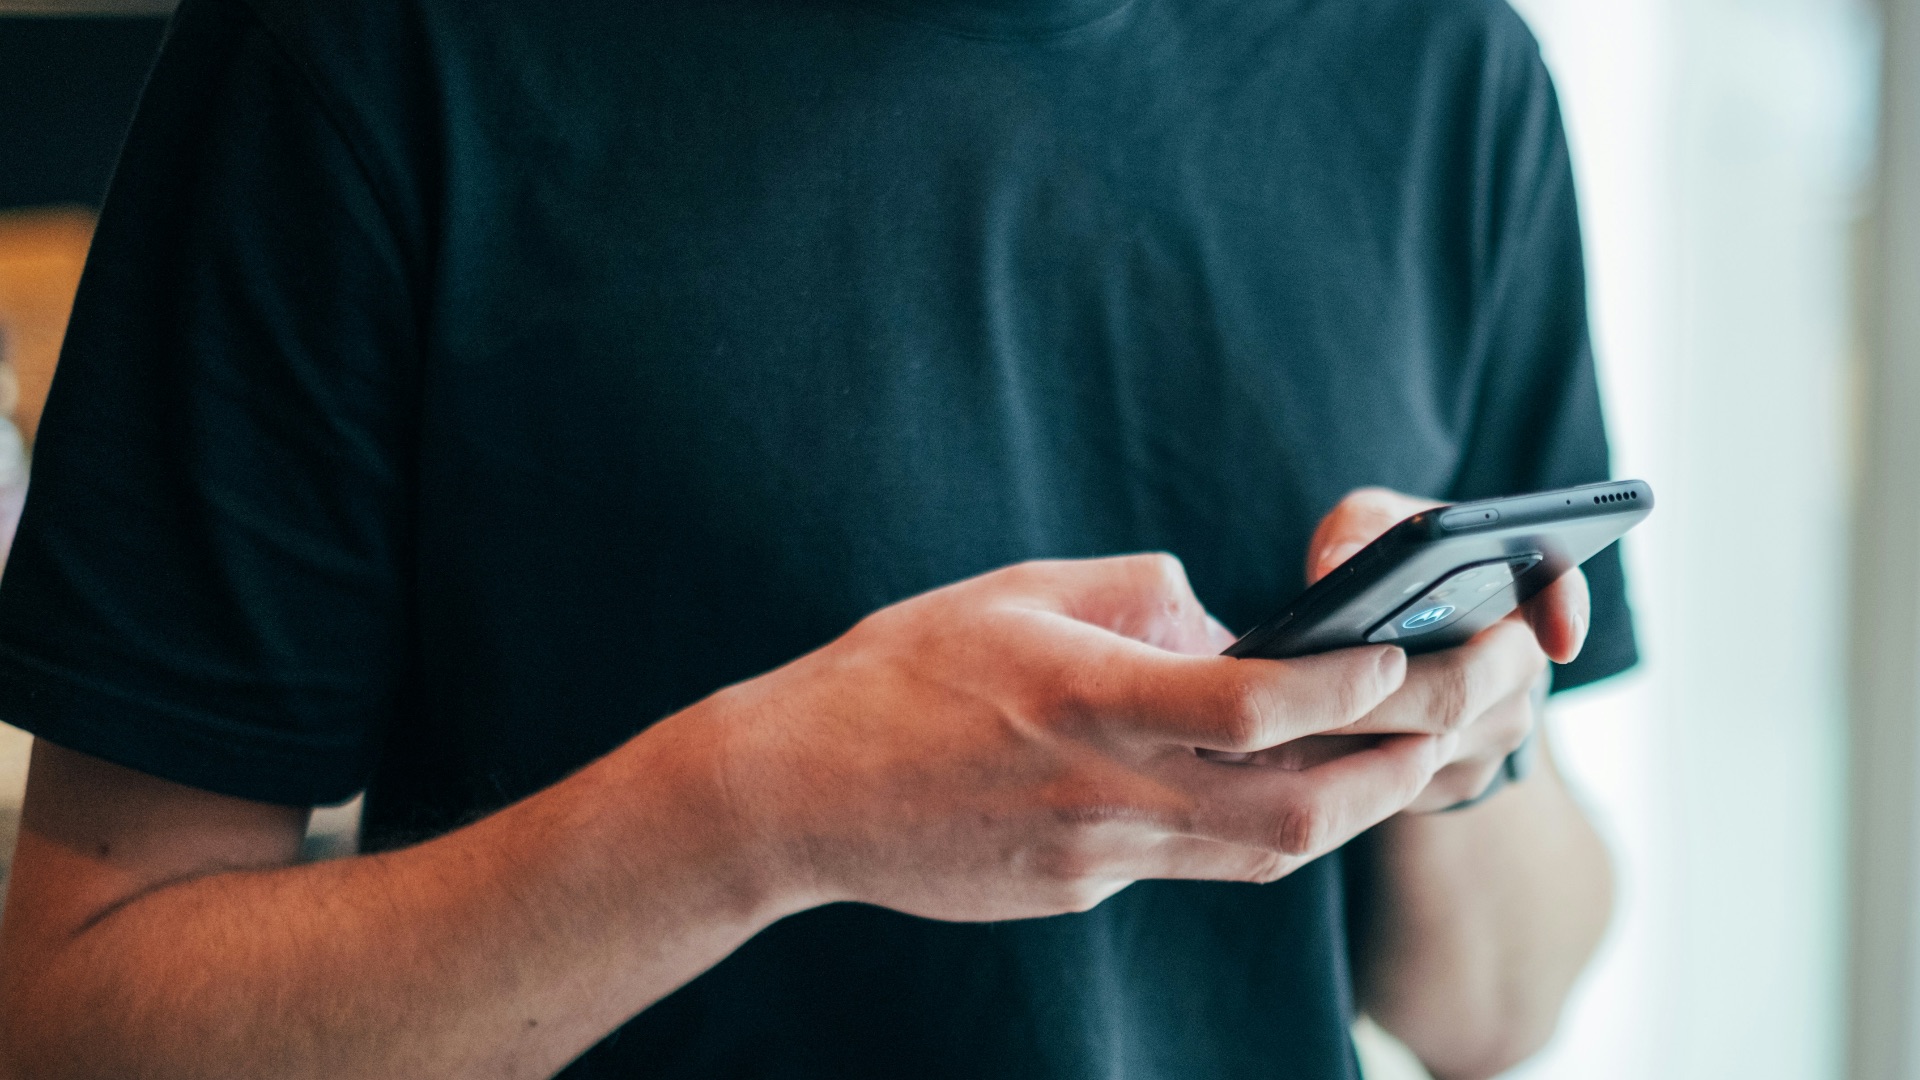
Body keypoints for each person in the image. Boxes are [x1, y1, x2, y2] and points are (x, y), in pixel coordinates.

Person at [0, 0, 1631, 1076]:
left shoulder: (1448, 71)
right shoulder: (356, 50)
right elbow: (80, 1017)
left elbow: (1493, 1010)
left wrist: (1461, 740)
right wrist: (761, 815)